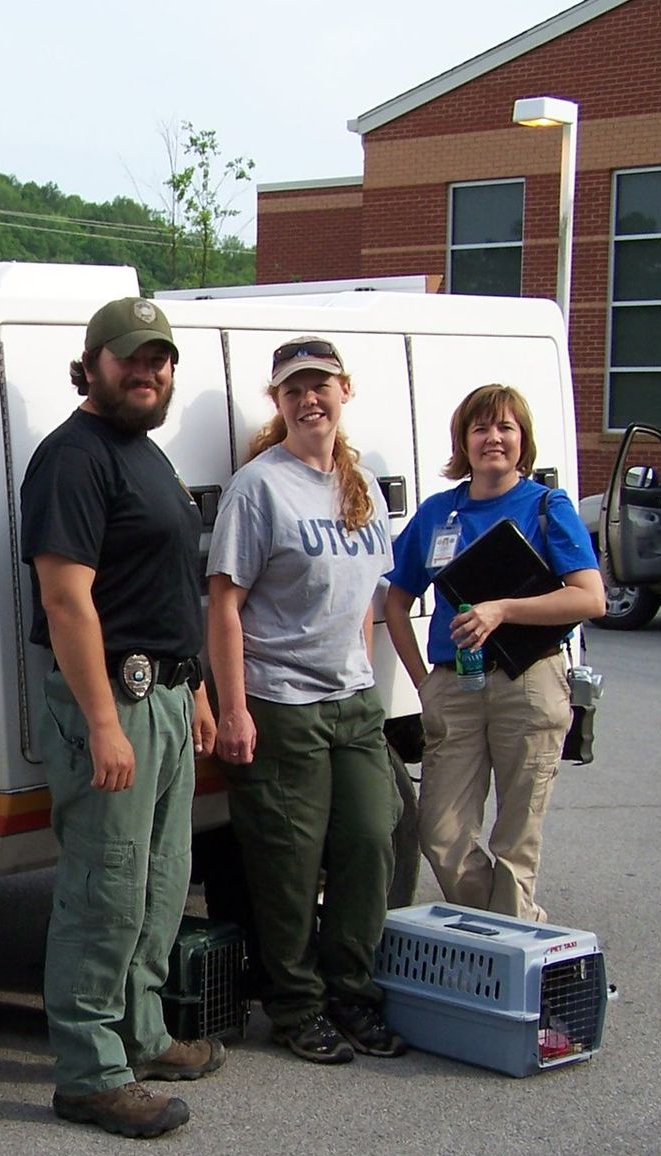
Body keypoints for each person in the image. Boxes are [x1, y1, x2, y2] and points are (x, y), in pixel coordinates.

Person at [19, 297, 220, 1138]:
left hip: (166, 697)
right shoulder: (72, 458)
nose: (148, 372)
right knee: (106, 887)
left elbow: (171, 586)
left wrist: (198, 688)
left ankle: (141, 1033)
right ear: (93, 364)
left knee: (160, 881)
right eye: (132, 358)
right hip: (114, 700)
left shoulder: (147, 457)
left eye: (161, 360)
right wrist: (103, 722)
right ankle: (90, 1073)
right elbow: (67, 601)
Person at [207, 336, 406, 1065]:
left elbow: (364, 600)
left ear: (344, 391)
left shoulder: (362, 486)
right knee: (289, 864)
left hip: (351, 702)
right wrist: (234, 710)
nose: (308, 399)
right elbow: (224, 605)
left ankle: (351, 990)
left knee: (367, 842)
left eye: (319, 385)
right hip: (280, 703)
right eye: (294, 389)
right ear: (279, 402)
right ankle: (296, 1006)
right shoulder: (259, 487)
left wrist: (363, 673)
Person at [383, 384, 606, 921]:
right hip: (454, 685)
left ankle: (505, 966)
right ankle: (518, 927)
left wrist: (502, 609)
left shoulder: (547, 507)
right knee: (440, 831)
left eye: (506, 427)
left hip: (528, 679)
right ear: (464, 440)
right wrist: (423, 682)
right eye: (481, 428)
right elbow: (395, 601)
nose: (493, 439)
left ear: (522, 439)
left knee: (516, 838)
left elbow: (589, 597)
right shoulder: (439, 513)